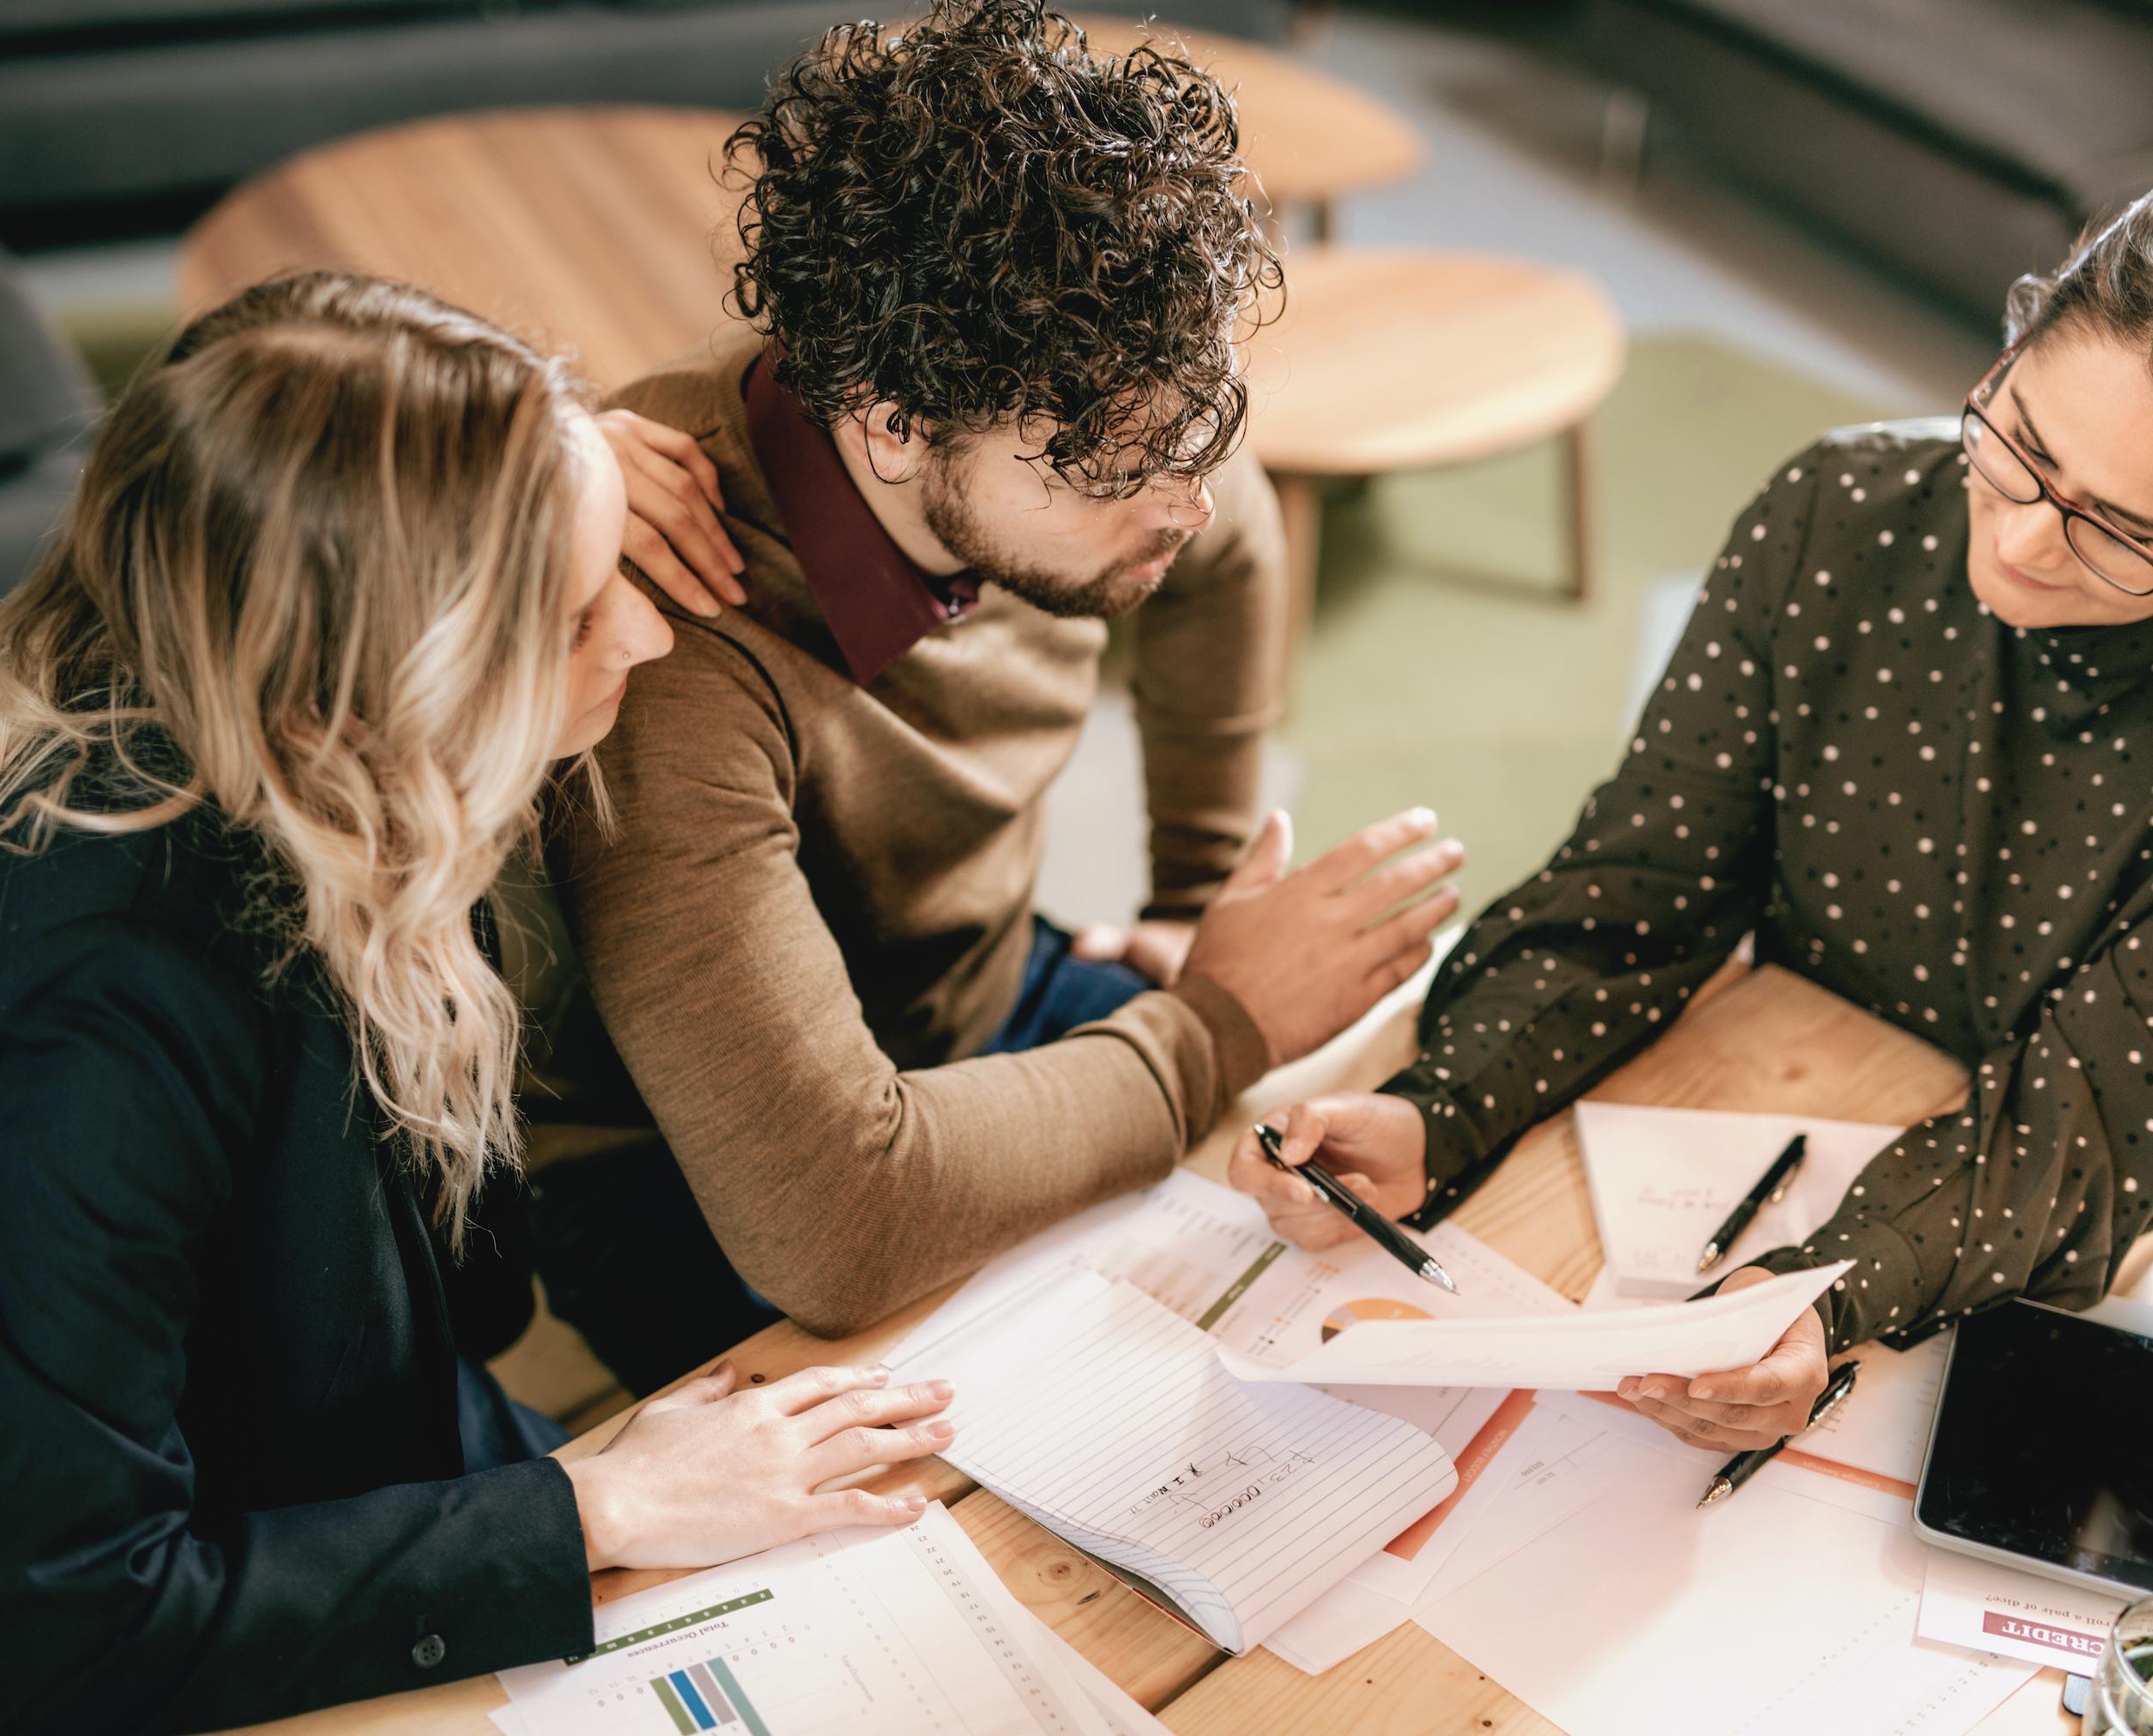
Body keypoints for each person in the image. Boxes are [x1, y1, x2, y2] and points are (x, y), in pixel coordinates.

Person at [0, 272, 958, 1734]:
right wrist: (593, 1508)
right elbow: (81, 1626)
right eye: (575, 612)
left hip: (386, 1468)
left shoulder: (334, 789)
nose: (641, 636)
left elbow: (453, 1302)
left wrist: (551, 467)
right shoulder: (95, 1027)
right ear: (379, 689)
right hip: (176, 1634)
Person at [1234, 177, 2153, 1455]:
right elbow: (1636, 887)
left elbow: (2089, 1129)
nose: (2028, 542)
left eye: (2120, 530)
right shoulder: (1843, 513)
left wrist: (1830, 1295)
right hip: (1820, 1095)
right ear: (2018, 338)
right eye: (2023, 443)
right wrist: (1446, 1107)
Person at [529, 0, 1461, 1385]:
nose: (1187, 503)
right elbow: (835, 1226)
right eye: (1114, 472)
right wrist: (1218, 1019)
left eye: (1200, 433)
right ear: (893, 424)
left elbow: (1232, 539)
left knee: (1322, 1268)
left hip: (975, 1000)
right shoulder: (676, 639)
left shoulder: (1106, 408)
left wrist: (1190, 902)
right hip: (711, 1173)